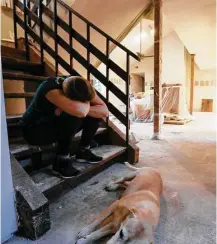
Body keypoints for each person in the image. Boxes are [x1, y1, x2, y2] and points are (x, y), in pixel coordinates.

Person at [21, 76, 109, 178]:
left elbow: (105, 112)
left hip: (53, 122)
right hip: (34, 130)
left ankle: (83, 151)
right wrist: (82, 106)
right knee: (74, 115)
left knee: (93, 115)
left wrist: (80, 105)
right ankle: (61, 161)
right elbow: (81, 111)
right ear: (67, 95)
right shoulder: (50, 88)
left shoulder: (80, 84)